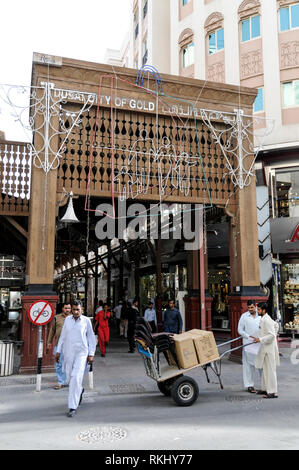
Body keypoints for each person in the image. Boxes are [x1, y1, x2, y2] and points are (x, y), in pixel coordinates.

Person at [56, 300, 96, 417]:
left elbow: (91, 338)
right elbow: (62, 336)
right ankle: (80, 390)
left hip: (81, 353)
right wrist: (58, 351)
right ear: (71, 310)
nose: (76, 311)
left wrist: (91, 353)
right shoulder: (67, 320)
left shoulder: (86, 321)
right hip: (68, 353)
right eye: (74, 309)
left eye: (78, 309)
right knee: (70, 378)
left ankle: (72, 406)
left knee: (75, 377)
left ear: (81, 309)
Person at [253, 303, 280, 399]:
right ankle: (265, 388)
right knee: (265, 369)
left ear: (264, 310)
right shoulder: (265, 319)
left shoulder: (267, 320)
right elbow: (276, 326)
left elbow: (272, 335)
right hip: (265, 347)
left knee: (270, 370)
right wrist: (260, 339)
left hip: (269, 349)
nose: (258, 311)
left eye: (259, 309)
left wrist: (260, 339)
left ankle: (272, 392)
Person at [237, 300, 261, 393]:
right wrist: (248, 336)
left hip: (259, 343)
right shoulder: (244, 316)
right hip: (248, 344)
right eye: (249, 307)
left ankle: (264, 385)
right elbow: (240, 330)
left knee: (261, 365)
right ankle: (249, 385)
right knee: (248, 366)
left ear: (255, 306)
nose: (250, 309)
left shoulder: (261, 316)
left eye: (252, 307)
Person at [47, 302, 72, 389]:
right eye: (66, 308)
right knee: (59, 364)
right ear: (62, 308)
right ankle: (60, 382)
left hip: (71, 346)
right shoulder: (56, 318)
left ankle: (71, 381)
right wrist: (49, 342)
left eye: (69, 308)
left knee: (70, 363)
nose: (67, 310)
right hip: (59, 345)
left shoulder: (74, 318)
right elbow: (52, 330)